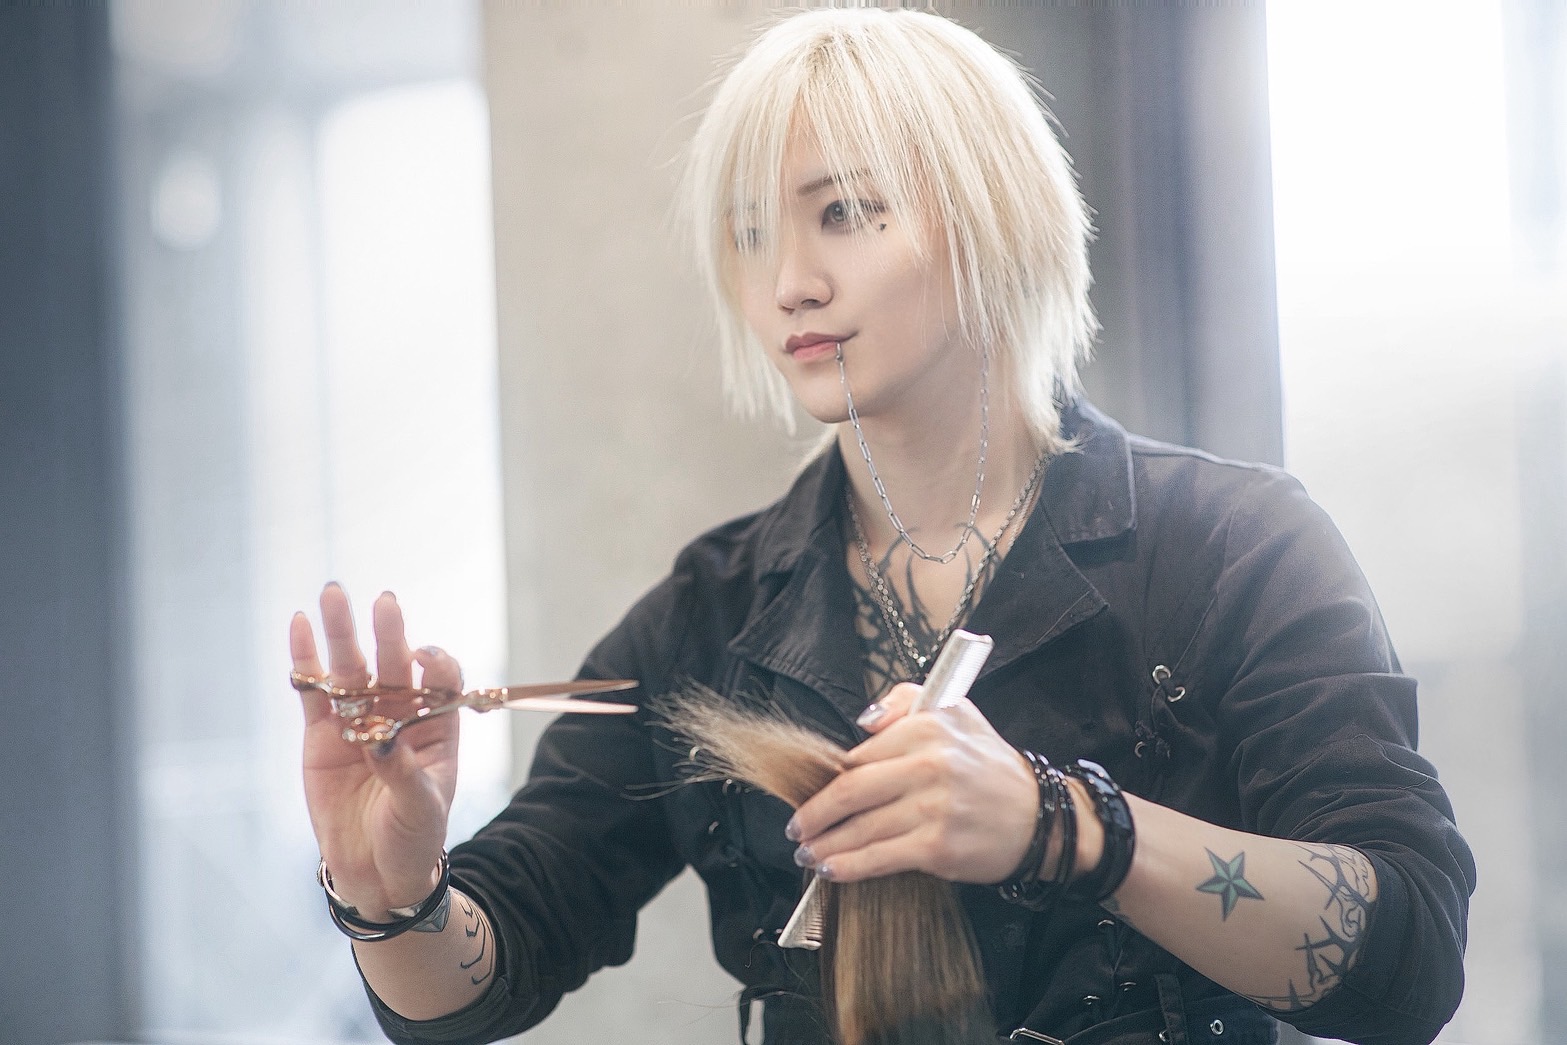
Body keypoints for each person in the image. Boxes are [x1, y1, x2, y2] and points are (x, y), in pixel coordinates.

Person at [288, 9, 1474, 1045]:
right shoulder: (711, 613)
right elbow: (485, 975)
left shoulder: (1230, 547)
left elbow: (1408, 958)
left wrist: (1065, 826)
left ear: (991, 215)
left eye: (844, 212)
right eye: (750, 234)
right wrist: (394, 894)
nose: (788, 282)